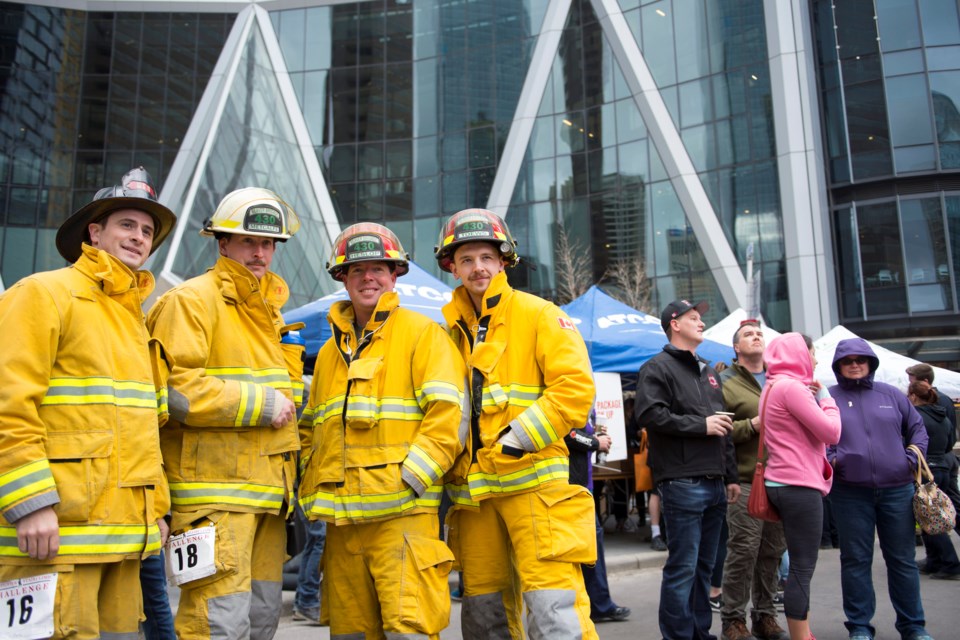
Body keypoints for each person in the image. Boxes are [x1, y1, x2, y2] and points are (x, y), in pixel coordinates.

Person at [0, 167, 175, 639]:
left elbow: (141, 431)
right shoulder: (43, 293)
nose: (139, 237)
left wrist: (155, 510)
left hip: (123, 543)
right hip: (53, 536)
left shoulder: (134, 321)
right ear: (93, 233)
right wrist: (29, 503)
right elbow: (8, 404)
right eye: (126, 224)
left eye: (146, 231)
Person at [146, 188, 305, 640]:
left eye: (268, 244)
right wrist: (263, 404)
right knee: (215, 622)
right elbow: (173, 389)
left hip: (266, 500)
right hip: (213, 500)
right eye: (248, 241)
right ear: (222, 243)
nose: (260, 252)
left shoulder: (269, 312)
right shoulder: (190, 301)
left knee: (260, 620)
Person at [297, 222, 466, 639]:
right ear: (342, 278)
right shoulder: (328, 355)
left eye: (378, 269)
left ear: (395, 276)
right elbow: (310, 426)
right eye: (357, 270)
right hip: (342, 530)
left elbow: (449, 415)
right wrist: (309, 476)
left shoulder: (422, 334)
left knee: (408, 630)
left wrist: (411, 479)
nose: (367, 277)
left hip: (403, 523)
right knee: (350, 634)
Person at [436, 208, 598, 640]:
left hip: (534, 489)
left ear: (504, 261)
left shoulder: (540, 314)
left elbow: (575, 389)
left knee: (555, 612)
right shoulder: (447, 331)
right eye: (467, 259)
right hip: (476, 498)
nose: (478, 268)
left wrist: (517, 439)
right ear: (452, 266)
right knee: (484, 616)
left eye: (487, 257)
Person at [635, 299, 740, 640]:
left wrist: (731, 476)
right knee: (683, 567)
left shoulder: (709, 372)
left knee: (704, 568)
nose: (701, 322)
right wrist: (701, 425)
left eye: (701, 318)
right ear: (674, 324)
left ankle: (699, 632)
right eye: (693, 317)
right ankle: (679, 635)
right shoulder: (657, 367)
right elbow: (650, 415)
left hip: (714, 483)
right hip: (682, 481)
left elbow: (722, 425)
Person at [828, 338, 935, 640]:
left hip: (898, 489)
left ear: (871, 363)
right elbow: (818, 435)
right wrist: (833, 460)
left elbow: (917, 429)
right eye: (847, 360)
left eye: (861, 359)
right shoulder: (829, 397)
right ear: (838, 366)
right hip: (849, 492)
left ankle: (914, 627)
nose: (855, 364)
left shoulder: (892, 395)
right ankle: (860, 627)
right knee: (855, 560)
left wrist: (911, 457)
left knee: (902, 560)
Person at [760, 333, 842, 640]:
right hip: (799, 484)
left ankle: (802, 631)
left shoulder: (772, 386)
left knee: (795, 564)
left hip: (779, 481)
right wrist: (828, 400)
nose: (816, 359)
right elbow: (832, 432)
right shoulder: (793, 388)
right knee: (801, 568)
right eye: (812, 353)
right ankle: (801, 635)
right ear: (799, 355)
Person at [719, 319, 788, 640]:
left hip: (782, 477)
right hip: (745, 478)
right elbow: (718, 430)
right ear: (736, 347)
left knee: (772, 552)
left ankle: (765, 616)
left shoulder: (780, 378)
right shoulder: (724, 382)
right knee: (743, 550)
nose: (756, 337)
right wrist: (753, 425)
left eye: (759, 333)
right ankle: (733, 620)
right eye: (748, 334)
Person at [565, 409, 631, 623]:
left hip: (583, 486)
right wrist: (595, 442)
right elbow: (568, 434)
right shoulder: (569, 393)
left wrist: (597, 439)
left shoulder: (584, 400)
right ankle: (598, 604)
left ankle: (594, 604)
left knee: (590, 546)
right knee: (589, 545)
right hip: (572, 487)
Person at [907, 380, 960, 580]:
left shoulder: (916, 417)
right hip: (943, 467)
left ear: (913, 396)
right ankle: (934, 560)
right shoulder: (943, 417)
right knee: (930, 514)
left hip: (926, 470)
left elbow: (909, 443)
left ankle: (950, 562)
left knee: (930, 516)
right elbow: (949, 442)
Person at [291, 503, 327, 622]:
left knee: (314, 541)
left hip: (307, 493)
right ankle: (307, 601)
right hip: (311, 492)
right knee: (321, 538)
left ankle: (302, 603)